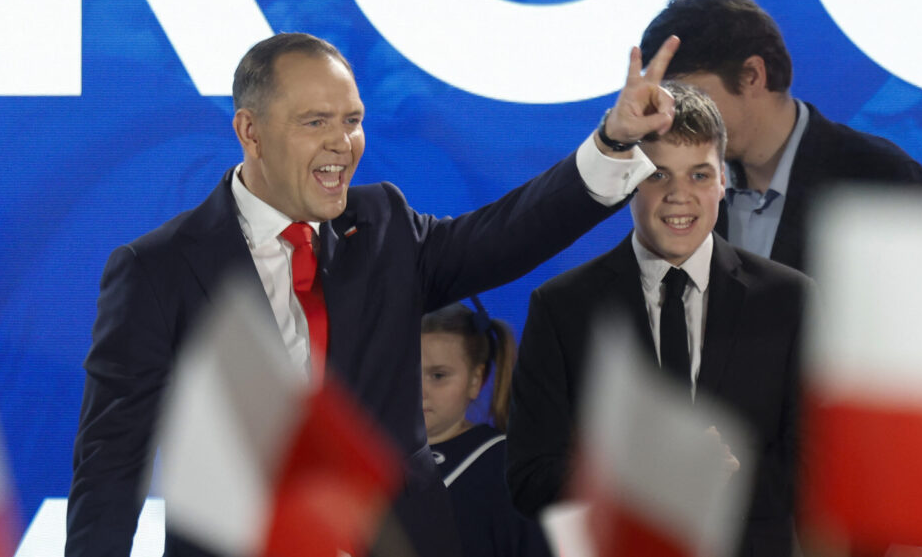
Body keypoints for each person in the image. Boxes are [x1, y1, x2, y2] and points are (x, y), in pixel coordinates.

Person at [66, 32, 682, 557]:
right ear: (249, 132)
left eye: (352, 120)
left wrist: (613, 142)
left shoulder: (382, 224)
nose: (343, 143)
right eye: (316, 122)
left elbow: (504, 236)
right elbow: (112, 458)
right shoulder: (157, 269)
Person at [507, 82, 814, 556]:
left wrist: (725, 479)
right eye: (657, 176)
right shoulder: (562, 308)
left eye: (698, 176)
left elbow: (818, 466)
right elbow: (530, 479)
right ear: (629, 180)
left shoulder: (788, 300)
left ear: (723, 182)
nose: (678, 196)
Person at [639, 0, 922, 273]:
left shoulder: (880, 180)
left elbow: (921, 316)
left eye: (691, 96)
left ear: (752, 76)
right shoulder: (678, 186)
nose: (675, 118)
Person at [421, 300, 551, 557]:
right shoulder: (369, 457)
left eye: (438, 376)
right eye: (408, 372)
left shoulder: (512, 469)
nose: (419, 390)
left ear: (475, 379)